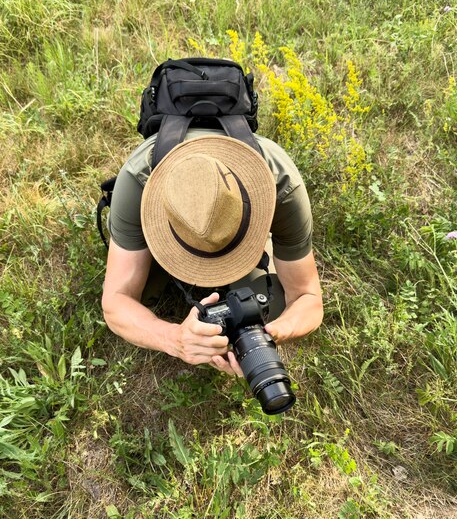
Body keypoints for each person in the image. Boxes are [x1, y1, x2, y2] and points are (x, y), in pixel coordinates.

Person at [101, 128, 323, 377]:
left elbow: (307, 296)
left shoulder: (282, 185)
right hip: (154, 206)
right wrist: (174, 339)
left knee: (274, 306)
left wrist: (273, 333)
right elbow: (115, 302)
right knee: (139, 301)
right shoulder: (137, 181)